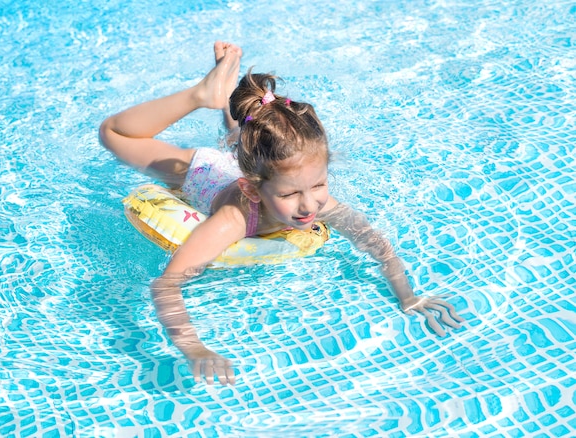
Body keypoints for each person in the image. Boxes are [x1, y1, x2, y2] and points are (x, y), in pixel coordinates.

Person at [99, 41, 463, 386]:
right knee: (113, 134)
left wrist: (408, 296)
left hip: (259, 169)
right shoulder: (232, 220)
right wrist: (194, 347)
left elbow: (376, 245)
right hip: (204, 174)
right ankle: (201, 95)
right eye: (291, 194)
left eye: (318, 185)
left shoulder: (319, 202)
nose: (309, 206)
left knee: (243, 136)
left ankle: (230, 102)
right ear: (251, 190)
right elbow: (167, 283)